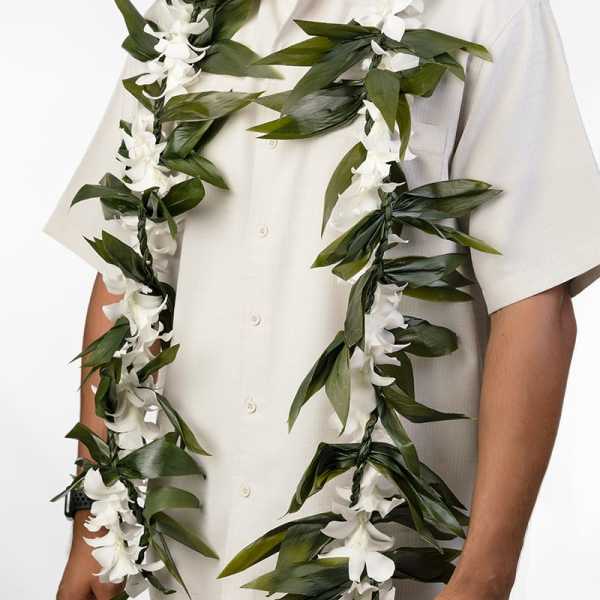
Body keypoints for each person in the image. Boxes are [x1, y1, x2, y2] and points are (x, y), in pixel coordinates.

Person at [45, 1, 600, 599]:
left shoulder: (486, 13)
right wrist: (95, 525)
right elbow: (124, 271)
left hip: (378, 562)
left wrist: (486, 576)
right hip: (183, 558)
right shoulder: (182, 19)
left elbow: (534, 301)